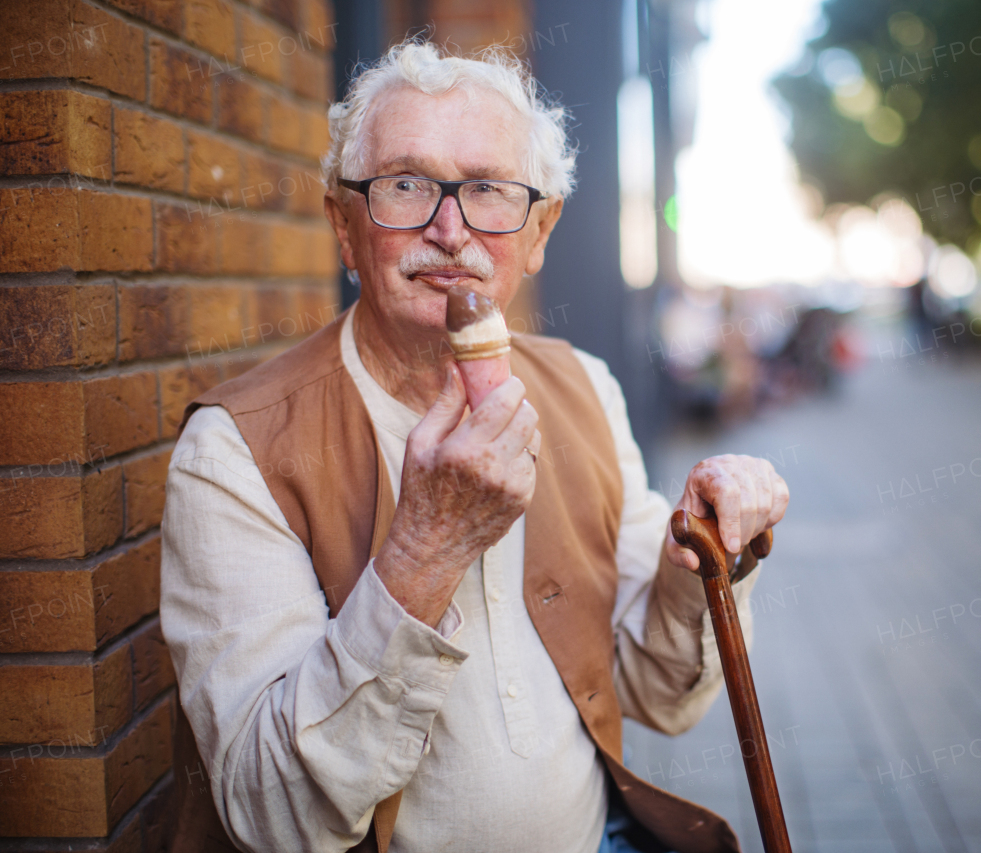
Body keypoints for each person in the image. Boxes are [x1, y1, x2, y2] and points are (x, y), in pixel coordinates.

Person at [161, 40, 789, 853]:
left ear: (538, 232)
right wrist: (426, 546)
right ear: (344, 227)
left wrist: (704, 557)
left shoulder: (585, 387)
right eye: (407, 184)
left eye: (489, 190)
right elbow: (271, 814)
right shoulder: (232, 451)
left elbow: (662, 692)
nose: (450, 229)